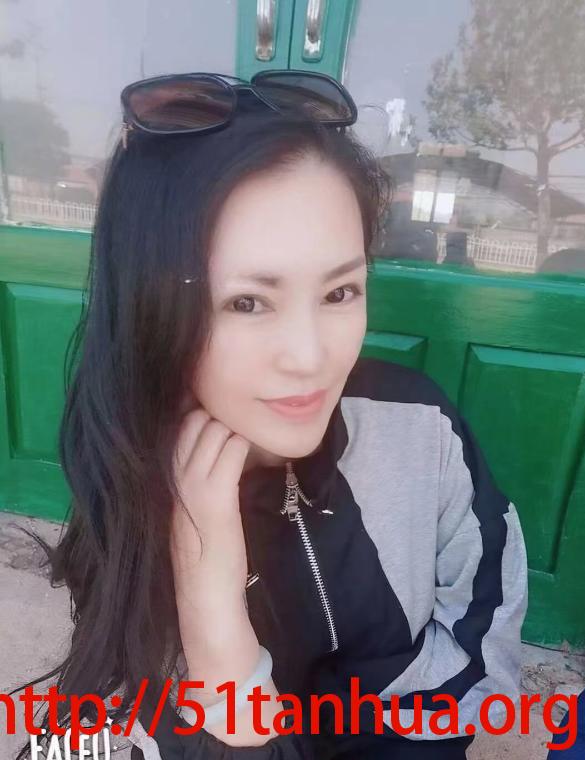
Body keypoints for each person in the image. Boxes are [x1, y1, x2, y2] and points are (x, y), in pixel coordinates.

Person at [12, 71, 528, 760]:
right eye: (247, 303)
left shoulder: (419, 425)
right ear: (153, 309)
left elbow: (483, 638)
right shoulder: (132, 472)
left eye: (340, 292)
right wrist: (214, 622)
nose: (310, 358)